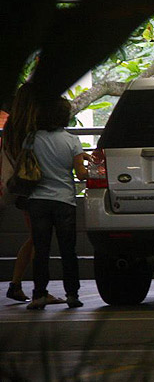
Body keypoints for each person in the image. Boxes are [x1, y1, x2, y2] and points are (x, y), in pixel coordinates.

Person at [2, 84, 65, 304]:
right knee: (39, 239)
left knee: (36, 238)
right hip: (36, 188)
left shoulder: (12, 126)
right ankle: (38, 289)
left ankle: (16, 284)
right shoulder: (32, 129)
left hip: (21, 188)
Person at [26, 95, 89, 310]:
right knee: (68, 250)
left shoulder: (31, 139)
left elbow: (24, 166)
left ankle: (39, 294)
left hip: (37, 201)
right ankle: (72, 294)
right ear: (65, 116)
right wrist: (90, 167)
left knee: (41, 250)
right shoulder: (72, 141)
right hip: (64, 201)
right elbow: (80, 175)